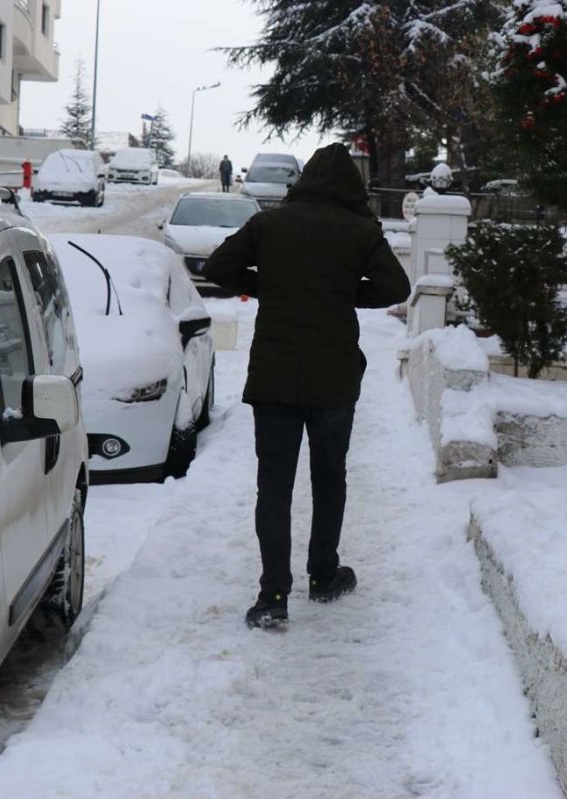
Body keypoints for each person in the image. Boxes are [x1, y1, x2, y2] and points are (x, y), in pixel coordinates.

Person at [203, 143, 411, 629]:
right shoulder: (360, 230)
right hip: (333, 377)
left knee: (273, 486)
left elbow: (217, 268)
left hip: (274, 375)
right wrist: (346, 292)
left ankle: (273, 594)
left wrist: (270, 285)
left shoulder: (269, 224)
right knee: (329, 478)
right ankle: (323, 574)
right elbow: (396, 287)